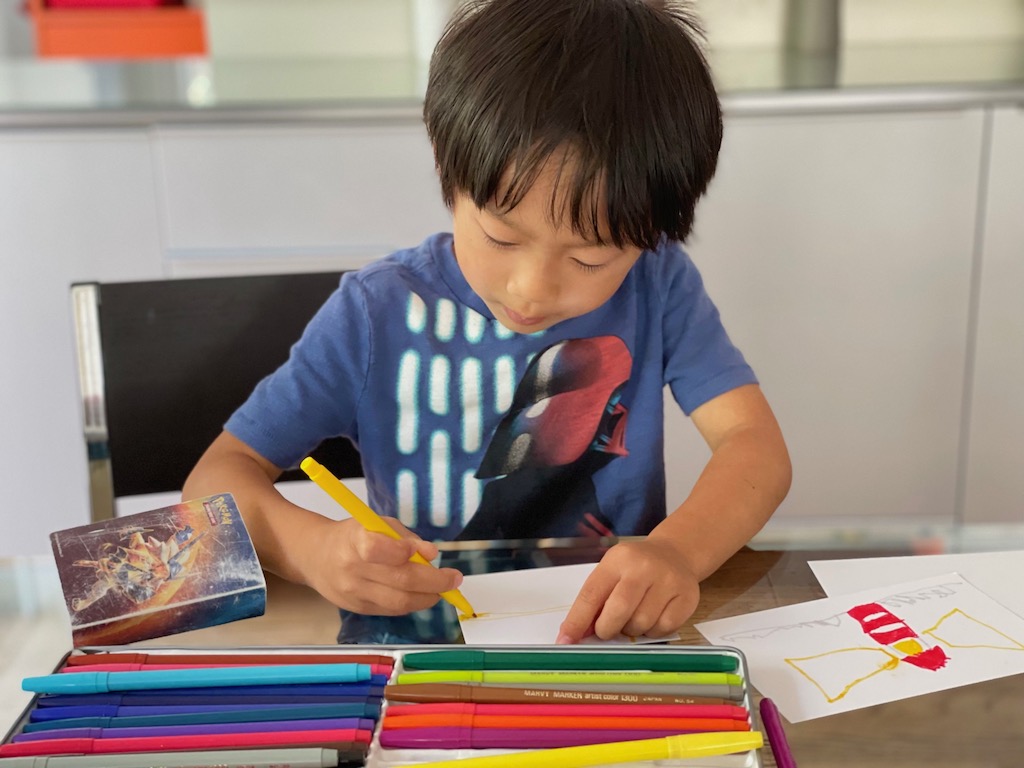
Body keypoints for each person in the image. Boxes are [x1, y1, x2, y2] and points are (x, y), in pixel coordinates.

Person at [183, 0, 791, 645]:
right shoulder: (376, 312)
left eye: (589, 258)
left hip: (609, 643)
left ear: (651, 237)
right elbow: (217, 479)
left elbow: (753, 446)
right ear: (451, 178)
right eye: (501, 238)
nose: (533, 289)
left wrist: (678, 552)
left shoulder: (659, 285)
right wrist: (308, 550)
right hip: (420, 661)